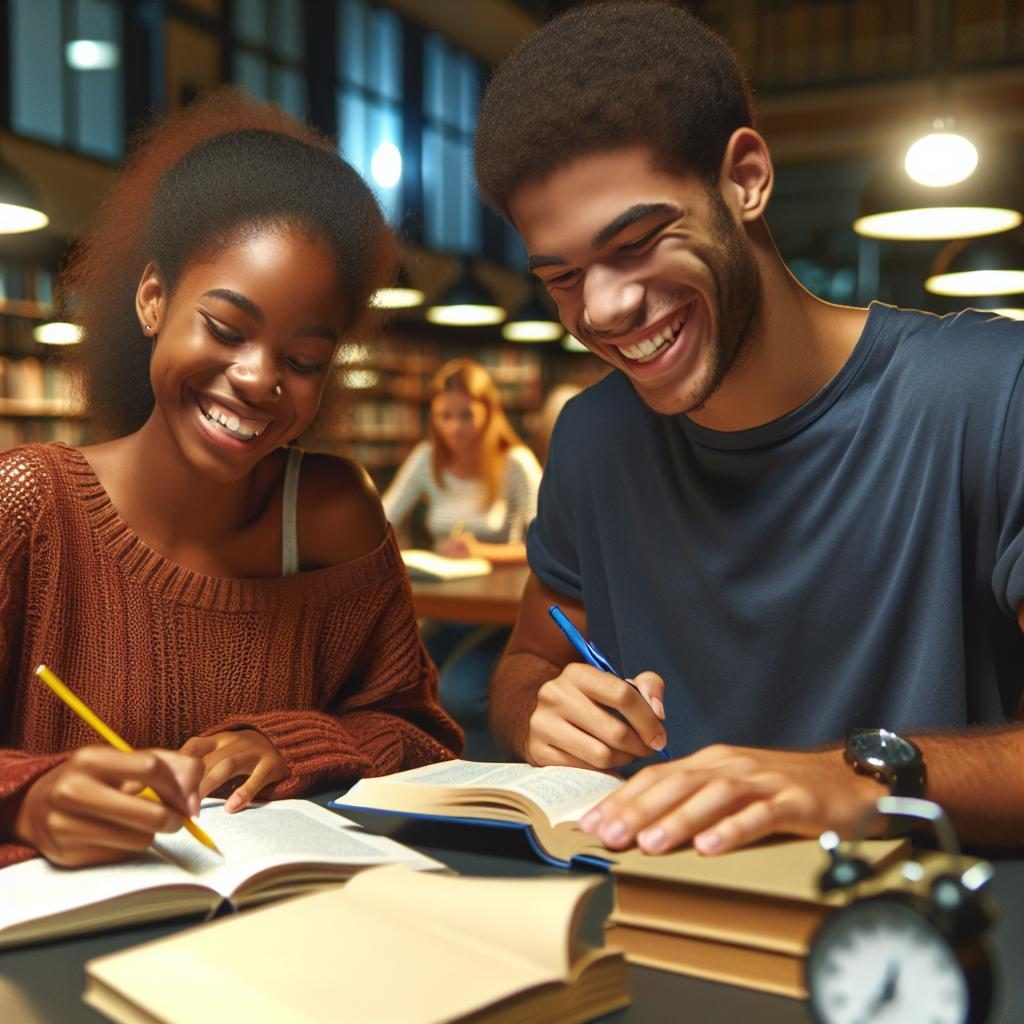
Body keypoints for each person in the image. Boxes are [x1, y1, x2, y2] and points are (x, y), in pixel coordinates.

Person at [474, 2, 1024, 856]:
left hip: (917, 942)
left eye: (638, 241)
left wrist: (857, 780)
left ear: (746, 179)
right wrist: (545, 716)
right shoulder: (591, 437)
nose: (605, 309)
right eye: (563, 276)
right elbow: (524, 668)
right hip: (662, 922)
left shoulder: (992, 393)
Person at [0, 90, 461, 870]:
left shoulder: (331, 516)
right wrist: (33, 799)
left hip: (275, 954)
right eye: (225, 328)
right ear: (153, 299)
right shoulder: (29, 508)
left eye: (304, 361)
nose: (257, 379)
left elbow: (422, 736)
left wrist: (294, 743)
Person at [382, 358, 541, 758]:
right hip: (447, 603)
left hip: (502, 614)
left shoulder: (515, 463)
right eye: (445, 415)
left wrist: (481, 550)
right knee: (401, 685)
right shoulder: (426, 457)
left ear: (490, 412)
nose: (455, 427)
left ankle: (493, 775)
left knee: (458, 691)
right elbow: (380, 518)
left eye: (466, 415)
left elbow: (547, 545)